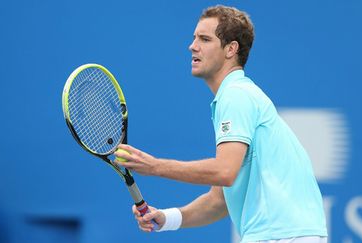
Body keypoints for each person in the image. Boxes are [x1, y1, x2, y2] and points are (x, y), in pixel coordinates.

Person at [115, 5, 328, 243]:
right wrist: (167, 217)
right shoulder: (239, 95)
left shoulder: (236, 95)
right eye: (194, 38)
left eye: (204, 39)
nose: (192, 46)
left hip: (280, 236)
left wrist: (154, 166)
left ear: (231, 49)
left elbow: (225, 172)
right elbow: (219, 200)